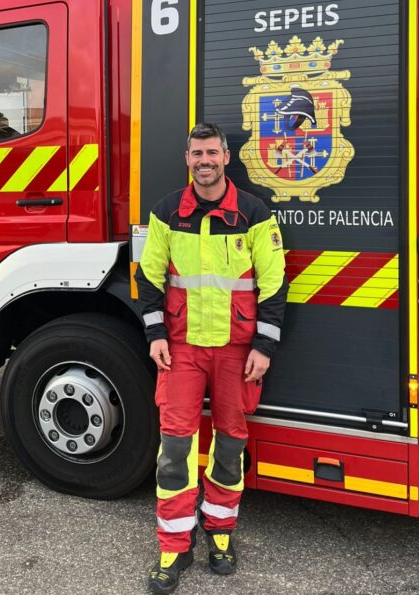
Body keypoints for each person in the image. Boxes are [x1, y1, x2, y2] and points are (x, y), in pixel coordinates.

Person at [135, 123, 288, 593]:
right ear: (187, 159)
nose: (205, 160)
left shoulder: (254, 212)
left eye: (212, 153)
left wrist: (263, 346)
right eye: (196, 153)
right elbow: (148, 276)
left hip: (236, 353)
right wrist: (156, 333)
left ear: (226, 157)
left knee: (229, 445)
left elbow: (275, 283)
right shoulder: (165, 213)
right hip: (180, 350)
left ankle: (220, 534)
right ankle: (173, 545)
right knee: (175, 449)